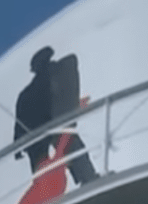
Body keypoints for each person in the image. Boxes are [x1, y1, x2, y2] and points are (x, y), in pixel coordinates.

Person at [14, 46, 98, 186]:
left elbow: (19, 120)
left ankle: (87, 178)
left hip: (53, 126)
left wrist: (18, 144)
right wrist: (18, 144)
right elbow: (20, 119)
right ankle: (45, 191)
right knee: (45, 159)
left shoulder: (57, 73)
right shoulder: (29, 92)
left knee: (72, 147)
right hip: (41, 130)